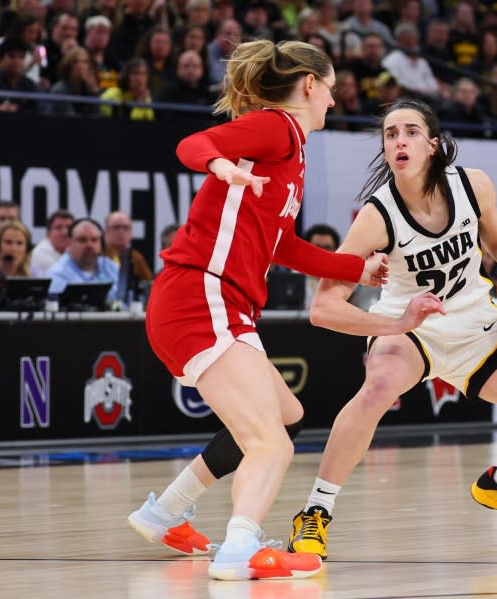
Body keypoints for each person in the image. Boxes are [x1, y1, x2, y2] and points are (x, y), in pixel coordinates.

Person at [125, 39, 388, 582]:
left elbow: (283, 246)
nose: (334, 103)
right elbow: (193, 142)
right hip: (202, 297)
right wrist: (221, 165)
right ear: (309, 86)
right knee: (270, 442)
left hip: (221, 304)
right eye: (332, 90)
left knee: (284, 416)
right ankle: (239, 548)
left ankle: (166, 511)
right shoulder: (274, 127)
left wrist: (353, 270)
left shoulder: (293, 152)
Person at [285, 99, 497, 559]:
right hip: (411, 331)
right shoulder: (376, 216)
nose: (399, 140)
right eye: (390, 134)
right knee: (376, 389)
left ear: (432, 144)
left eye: (410, 131)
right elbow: (324, 308)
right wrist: (394, 323)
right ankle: (315, 512)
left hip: (475, 328)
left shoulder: (474, 185)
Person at [47, 218, 120, 302]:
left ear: (101, 244)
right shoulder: (56, 275)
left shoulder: (110, 267)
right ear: (69, 243)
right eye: (82, 240)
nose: (89, 245)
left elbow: (125, 301)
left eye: (94, 240)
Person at [103, 211, 153, 304]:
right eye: (116, 227)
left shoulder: (136, 257)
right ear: (106, 231)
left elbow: (148, 284)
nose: (121, 231)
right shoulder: (97, 254)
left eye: (126, 228)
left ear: (131, 232)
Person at [30, 210, 74, 275]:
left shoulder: (73, 250)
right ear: (48, 233)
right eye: (58, 228)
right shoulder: (40, 255)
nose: (65, 232)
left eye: (69, 228)